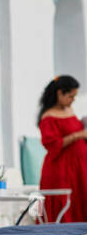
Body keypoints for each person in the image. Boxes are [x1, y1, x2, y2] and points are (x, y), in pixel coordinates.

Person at [38, 75, 87, 223]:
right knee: (65, 203)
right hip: (62, 170)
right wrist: (78, 135)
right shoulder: (48, 117)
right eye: (71, 96)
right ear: (60, 93)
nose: (73, 100)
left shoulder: (69, 110)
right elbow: (52, 144)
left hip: (79, 168)